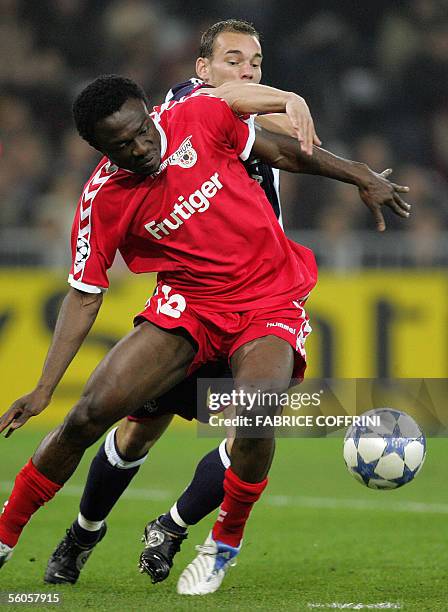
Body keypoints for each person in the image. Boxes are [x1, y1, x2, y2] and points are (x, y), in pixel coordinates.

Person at [0, 74, 410, 597]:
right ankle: (9, 536)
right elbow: (84, 296)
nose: (141, 147)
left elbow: (284, 152)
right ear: (100, 150)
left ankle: (221, 544)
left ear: (150, 111)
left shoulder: (200, 116)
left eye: (142, 130)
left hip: (268, 300)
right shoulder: (101, 199)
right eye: (121, 146)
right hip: (189, 309)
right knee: (89, 415)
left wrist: (359, 175)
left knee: (256, 414)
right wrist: (42, 389)